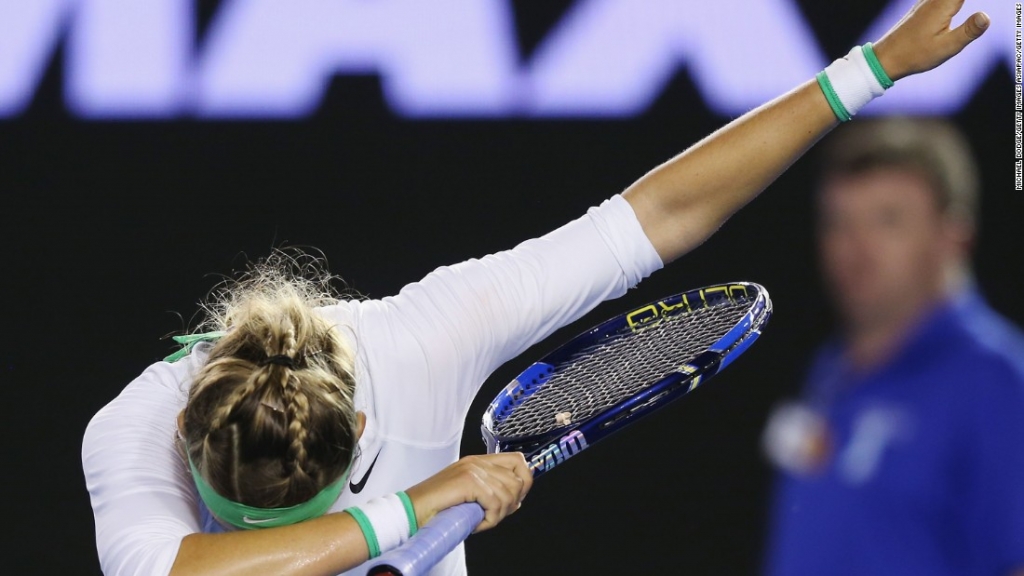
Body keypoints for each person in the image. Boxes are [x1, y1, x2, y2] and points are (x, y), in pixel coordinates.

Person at [82, 1, 992, 574]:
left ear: (360, 431)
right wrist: (419, 505)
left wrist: (866, 71)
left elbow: (653, 218)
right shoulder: (127, 431)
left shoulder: (424, 340)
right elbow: (193, 574)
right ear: (187, 437)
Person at [761, 116, 1024, 576]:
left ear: (952, 235)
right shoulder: (831, 370)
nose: (854, 249)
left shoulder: (996, 382)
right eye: (838, 222)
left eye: (888, 221)